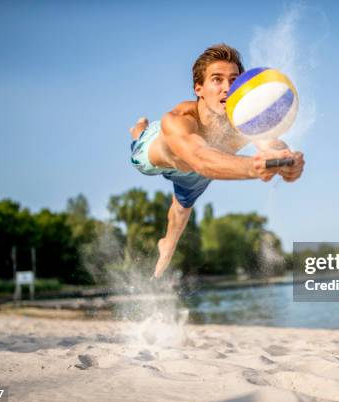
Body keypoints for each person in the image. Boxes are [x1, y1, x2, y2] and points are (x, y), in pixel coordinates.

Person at [129, 44, 305, 278]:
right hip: (165, 158)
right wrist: (255, 166)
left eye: (234, 79)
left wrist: (288, 162)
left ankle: (167, 245)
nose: (227, 88)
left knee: (181, 211)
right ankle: (140, 128)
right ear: (199, 88)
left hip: (203, 171)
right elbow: (200, 158)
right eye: (217, 80)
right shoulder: (180, 119)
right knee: (141, 136)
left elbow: (270, 144)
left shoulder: (242, 119)